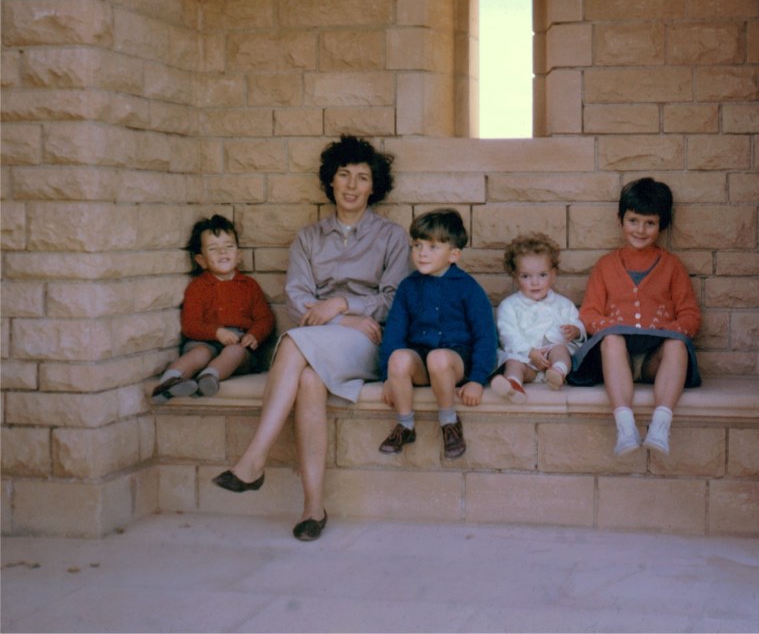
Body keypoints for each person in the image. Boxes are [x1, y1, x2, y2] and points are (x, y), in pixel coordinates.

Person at [211, 135, 411, 542]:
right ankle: (312, 508)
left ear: (375, 187)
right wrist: (341, 319)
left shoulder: (391, 237)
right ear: (331, 182)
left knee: (292, 342)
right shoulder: (308, 238)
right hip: (323, 338)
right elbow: (298, 299)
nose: (352, 186)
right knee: (307, 379)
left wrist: (339, 305)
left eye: (362, 177)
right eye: (343, 176)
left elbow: (393, 301)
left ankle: (254, 460)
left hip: (367, 343)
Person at [568, 178, 701, 457]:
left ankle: (661, 426)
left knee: (677, 345)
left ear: (661, 225)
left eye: (649, 223)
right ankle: (625, 426)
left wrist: (670, 330)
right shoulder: (605, 266)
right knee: (612, 340)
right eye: (633, 220)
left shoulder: (673, 267)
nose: (640, 230)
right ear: (621, 220)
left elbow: (690, 315)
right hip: (619, 360)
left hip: (657, 359)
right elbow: (589, 314)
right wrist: (612, 327)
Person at [377, 208, 497, 460]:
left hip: (455, 361)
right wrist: (388, 377)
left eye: (432, 247)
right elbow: (394, 333)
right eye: (418, 245)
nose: (422, 253)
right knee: (398, 358)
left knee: (439, 358)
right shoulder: (408, 287)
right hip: (421, 359)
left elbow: (486, 336)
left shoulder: (467, 288)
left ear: (453, 254)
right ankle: (405, 424)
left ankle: (449, 422)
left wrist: (477, 379)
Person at [151, 215, 274, 404]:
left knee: (234, 352)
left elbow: (265, 318)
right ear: (201, 260)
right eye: (213, 249)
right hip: (204, 342)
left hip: (238, 345)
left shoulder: (249, 286)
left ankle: (208, 378)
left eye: (228, 246)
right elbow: (190, 326)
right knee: (198, 354)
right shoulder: (197, 287)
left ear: (238, 254)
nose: (222, 252)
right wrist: (216, 332)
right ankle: (169, 382)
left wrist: (255, 335)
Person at [490, 233, 586, 404]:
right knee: (513, 362)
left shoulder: (564, 305)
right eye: (526, 276)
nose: (535, 282)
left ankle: (558, 372)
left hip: (552, 358)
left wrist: (577, 331)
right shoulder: (509, 306)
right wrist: (529, 352)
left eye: (542, 275)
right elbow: (508, 335)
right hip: (525, 360)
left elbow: (576, 323)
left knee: (560, 350)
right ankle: (514, 384)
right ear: (515, 277)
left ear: (553, 274)